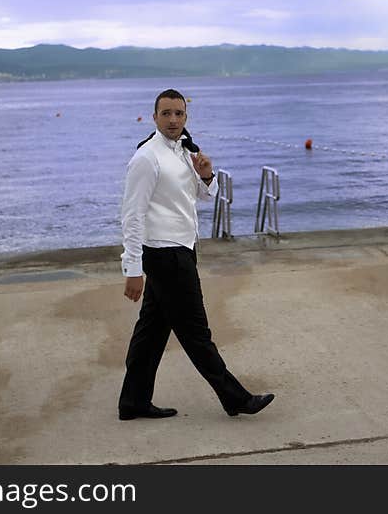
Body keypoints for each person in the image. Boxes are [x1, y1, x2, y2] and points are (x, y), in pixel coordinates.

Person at [117, 88, 275, 420]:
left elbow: (201, 198)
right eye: (166, 113)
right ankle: (235, 398)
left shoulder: (185, 151)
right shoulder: (147, 157)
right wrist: (132, 268)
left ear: (186, 116)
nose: (173, 120)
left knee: (151, 333)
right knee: (196, 333)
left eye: (179, 113)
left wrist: (205, 175)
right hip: (165, 256)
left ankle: (132, 401)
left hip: (182, 250)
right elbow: (132, 215)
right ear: (155, 116)